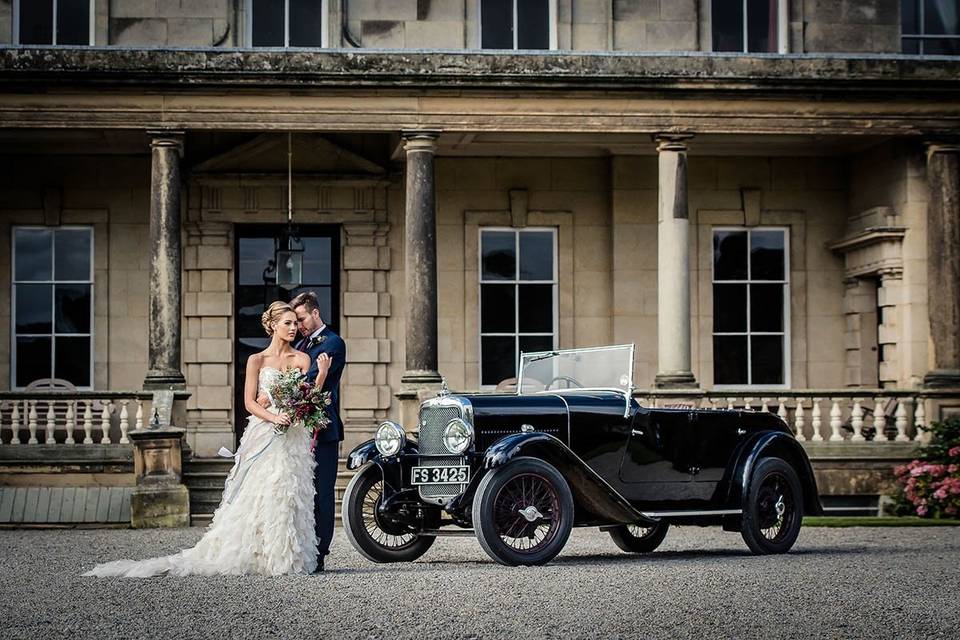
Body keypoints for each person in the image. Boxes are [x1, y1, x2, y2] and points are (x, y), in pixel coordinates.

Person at [82, 301, 330, 577]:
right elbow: (249, 403)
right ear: (272, 325)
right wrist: (273, 417)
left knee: (291, 491)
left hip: (293, 435)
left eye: (296, 323)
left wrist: (320, 376)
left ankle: (286, 556)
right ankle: (259, 552)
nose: (294, 328)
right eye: (288, 323)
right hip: (265, 431)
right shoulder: (257, 360)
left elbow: (307, 400)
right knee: (263, 489)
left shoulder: (301, 359)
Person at [285, 290, 346, 573]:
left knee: (321, 492)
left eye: (301, 318)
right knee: (299, 491)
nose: (298, 325)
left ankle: (320, 552)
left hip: (323, 429)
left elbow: (307, 383)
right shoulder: (299, 343)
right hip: (297, 430)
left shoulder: (333, 343)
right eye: (294, 321)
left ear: (315, 313)